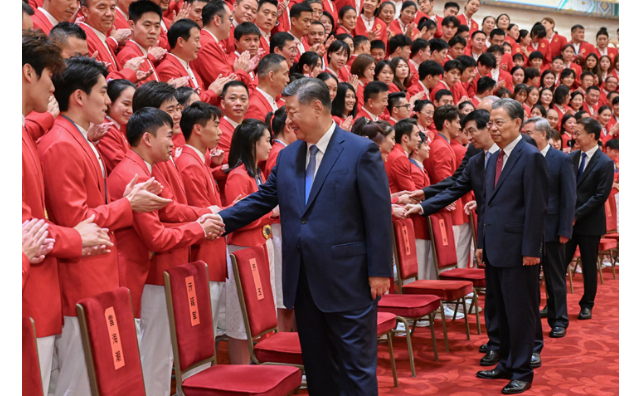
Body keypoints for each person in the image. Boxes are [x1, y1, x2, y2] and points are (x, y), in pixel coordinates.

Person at [218, 77, 393, 395]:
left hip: (350, 280)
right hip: (304, 282)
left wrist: (380, 270)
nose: (287, 120)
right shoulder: (287, 157)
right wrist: (217, 221)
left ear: (316, 107)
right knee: (318, 368)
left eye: (292, 111)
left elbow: (378, 215)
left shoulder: (360, 151)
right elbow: (260, 200)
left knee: (356, 367)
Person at [37, 55, 170, 396]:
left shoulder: (78, 138)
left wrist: (122, 199)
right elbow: (76, 222)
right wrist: (128, 205)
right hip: (80, 277)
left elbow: (91, 208)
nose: (109, 101)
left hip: (95, 274)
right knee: (77, 383)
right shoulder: (62, 143)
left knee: (91, 378)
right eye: (102, 92)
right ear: (79, 97)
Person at [22, 30, 112, 393]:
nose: (51, 87)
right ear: (29, 73)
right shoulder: (54, 141)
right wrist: (76, 236)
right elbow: (26, 225)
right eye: (48, 76)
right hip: (35, 288)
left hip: (42, 286)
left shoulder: (29, 131)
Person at [107, 106, 223, 328]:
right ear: (148, 139)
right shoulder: (137, 175)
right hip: (135, 274)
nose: (173, 142)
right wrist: (200, 228)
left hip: (139, 270)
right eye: (169, 135)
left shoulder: (140, 168)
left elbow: (166, 213)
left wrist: (202, 217)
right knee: (153, 355)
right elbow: (157, 238)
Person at [404, 109, 501, 358]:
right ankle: (497, 343)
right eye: (464, 130)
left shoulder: (517, 155)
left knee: (514, 295)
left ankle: (524, 347)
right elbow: (457, 184)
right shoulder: (476, 156)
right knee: (495, 295)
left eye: (471, 131)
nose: (466, 136)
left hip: (511, 234)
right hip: (488, 232)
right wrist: (425, 201)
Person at [475, 98, 548, 395]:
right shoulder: (494, 157)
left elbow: (536, 207)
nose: (492, 128)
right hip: (494, 247)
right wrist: (480, 242)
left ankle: (521, 370)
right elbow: (486, 205)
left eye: (499, 122)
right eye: (490, 122)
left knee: (520, 313)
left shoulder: (530, 156)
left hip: (520, 250)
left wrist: (532, 249)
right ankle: (504, 361)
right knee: (500, 311)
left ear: (518, 123)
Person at [175, 101, 230, 337]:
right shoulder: (188, 163)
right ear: (197, 129)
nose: (220, 132)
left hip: (211, 254)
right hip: (203, 255)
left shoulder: (199, 160)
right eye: (215, 125)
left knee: (209, 329)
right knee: (201, 333)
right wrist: (228, 211)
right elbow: (202, 214)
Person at [521, 117, 576, 341]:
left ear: (544, 135)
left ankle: (559, 320)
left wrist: (565, 230)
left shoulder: (561, 159)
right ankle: (532, 320)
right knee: (529, 278)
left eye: (530, 132)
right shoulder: (523, 157)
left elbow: (569, 198)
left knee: (555, 277)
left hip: (553, 228)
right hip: (527, 228)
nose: (525, 136)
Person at [565, 117, 614, 320]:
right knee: (559, 264)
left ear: (591, 136)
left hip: (589, 222)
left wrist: (576, 215)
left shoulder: (605, 163)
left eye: (578, 133)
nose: (574, 137)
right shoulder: (572, 157)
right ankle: (553, 303)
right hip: (567, 222)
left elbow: (600, 196)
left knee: (588, 265)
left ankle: (587, 304)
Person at [191, 0, 256, 89]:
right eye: (230, 19)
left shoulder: (208, 41)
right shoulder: (207, 44)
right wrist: (241, 71)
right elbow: (227, 85)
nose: (231, 24)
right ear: (217, 20)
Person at [116, 0, 168, 84]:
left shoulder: (142, 53)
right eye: (147, 25)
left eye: (157, 26)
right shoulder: (130, 55)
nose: (153, 31)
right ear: (131, 25)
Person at [97, 79, 136, 174]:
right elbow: (120, 168)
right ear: (110, 102)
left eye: (133, 105)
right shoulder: (105, 129)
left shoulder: (117, 127)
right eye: (126, 104)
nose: (131, 110)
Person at [244, 53, 289, 120]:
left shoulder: (275, 102)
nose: (288, 79)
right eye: (285, 74)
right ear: (271, 76)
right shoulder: (254, 107)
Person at [385, 117, 422, 193]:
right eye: (417, 135)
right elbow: (411, 191)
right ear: (405, 138)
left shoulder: (398, 153)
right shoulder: (399, 157)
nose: (420, 139)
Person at [218, 81, 250, 163]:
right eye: (232, 98)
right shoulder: (219, 131)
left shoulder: (249, 125)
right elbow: (230, 161)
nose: (238, 103)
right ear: (223, 103)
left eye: (243, 99)